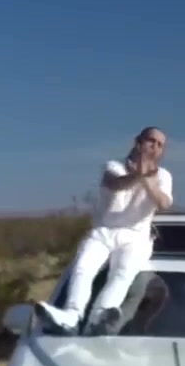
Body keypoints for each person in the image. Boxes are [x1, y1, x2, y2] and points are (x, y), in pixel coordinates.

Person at [36, 126, 174, 334]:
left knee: (123, 273)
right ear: (138, 142)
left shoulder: (163, 176)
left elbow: (163, 203)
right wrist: (139, 174)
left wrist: (147, 178)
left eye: (160, 145)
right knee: (83, 267)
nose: (154, 147)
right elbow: (115, 184)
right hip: (104, 231)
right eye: (151, 141)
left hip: (135, 236)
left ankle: (99, 318)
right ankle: (72, 316)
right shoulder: (114, 166)